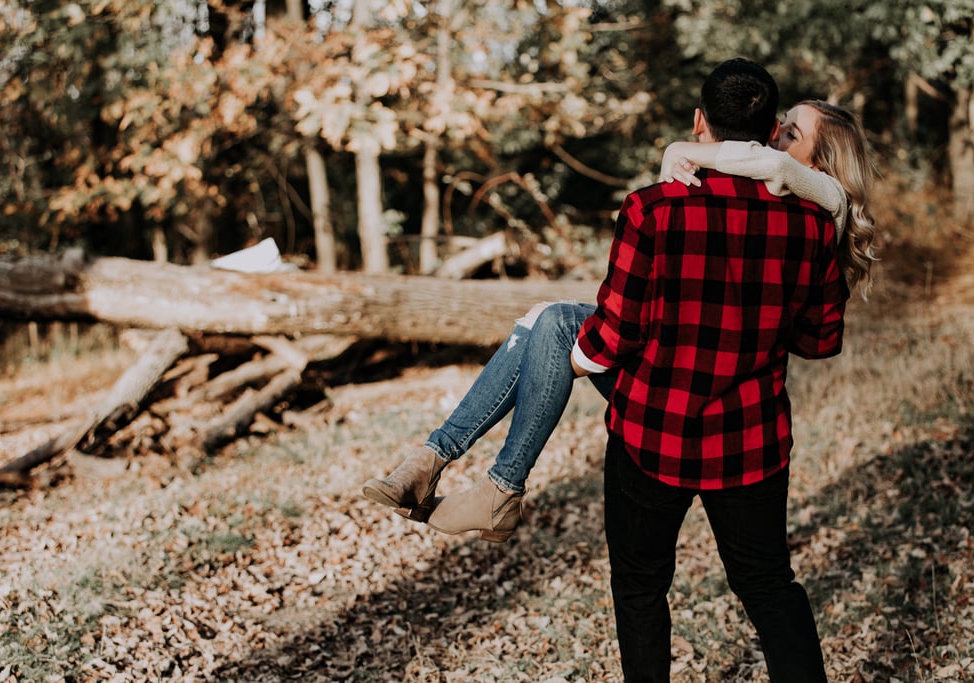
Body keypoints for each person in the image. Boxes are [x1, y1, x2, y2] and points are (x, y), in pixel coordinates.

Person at [361, 86, 875, 545]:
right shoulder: (789, 214)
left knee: (555, 327)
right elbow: (812, 337)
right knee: (549, 318)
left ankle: (491, 482)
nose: (773, 144)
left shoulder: (819, 202)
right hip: (723, 399)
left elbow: (774, 167)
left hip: (681, 401)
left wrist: (681, 149)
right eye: (776, 129)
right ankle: (438, 462)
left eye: (789, 134)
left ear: (824, 166)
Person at [571, 57, 849, 681]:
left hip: (652, 434)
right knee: (770, 585)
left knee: (641, 588)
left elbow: (614, 333)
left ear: (699, 122)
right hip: (751, 441)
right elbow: (822, 340)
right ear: (771, 130)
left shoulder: (651, 209)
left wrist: (575, 353)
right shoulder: (811, 224)